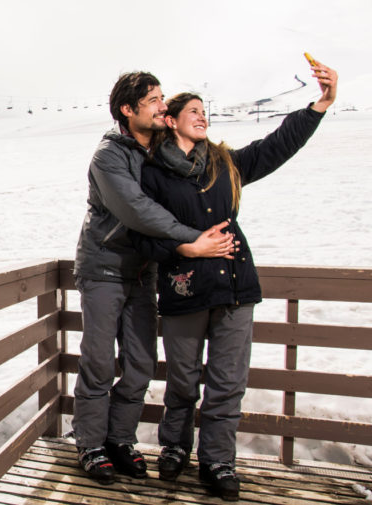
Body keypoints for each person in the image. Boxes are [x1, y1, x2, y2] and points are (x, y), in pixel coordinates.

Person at [130, 58, 338, 501]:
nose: (203, 116)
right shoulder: (152, 175)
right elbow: (141, 238)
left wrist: (319, 105)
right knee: (183, 382)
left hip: (235, 287)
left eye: (206, 111)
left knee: (227, 382)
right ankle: (174, 448)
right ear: (170, 120)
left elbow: (277, 145)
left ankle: (218, 460)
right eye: (193, 111)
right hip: (185, 289)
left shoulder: (226, 164)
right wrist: (182, 248)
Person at [71, 71, 235, 484]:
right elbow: (138, 210)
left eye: (163, 98)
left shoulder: (158, 150)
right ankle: (91, 444)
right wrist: (192, 241)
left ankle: (119, 440)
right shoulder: (109, 156)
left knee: (142, 364)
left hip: (144, 272)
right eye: (154, 100)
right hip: (104, 268)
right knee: (99, 362)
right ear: (128, 110)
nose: (164, 106)